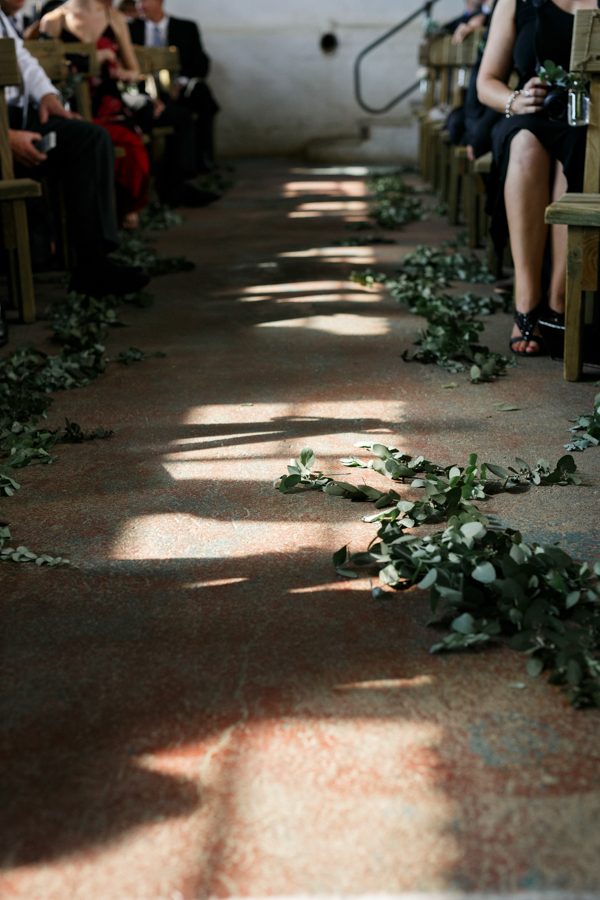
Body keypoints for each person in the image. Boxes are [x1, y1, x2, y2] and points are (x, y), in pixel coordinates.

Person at [1, 6, 149, 300]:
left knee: (89, 139)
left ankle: (93, 264)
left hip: (20, 118)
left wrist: (47, 96)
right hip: (3, 130)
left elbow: (22, 59)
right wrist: (5, 138)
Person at [476, 0, 598, 356]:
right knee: (526, 143)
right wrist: (516, 100)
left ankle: (560, 301)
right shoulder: (516, 2)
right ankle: (526, 301)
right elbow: (486, 83)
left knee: (575, 151)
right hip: (529, 115)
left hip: (590, 122)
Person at [40, 0, 151, 229]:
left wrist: (123, 73)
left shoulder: (114, 17)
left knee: (131, 147)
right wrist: (92, 59)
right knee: (89, 143)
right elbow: (43, 71)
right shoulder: (54, 19)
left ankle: (123, 209)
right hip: (70, 107)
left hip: (108, 106)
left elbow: (134, 69)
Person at [129, 0, 220, 173]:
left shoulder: (186, 27)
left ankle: (204, 160)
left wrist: (181, 83)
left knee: (202, 94)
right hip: (144, 89)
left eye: (144, 0)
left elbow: (200, 64)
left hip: (179, 87)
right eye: (137, 1)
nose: (139, 4)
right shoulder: (130, 28)